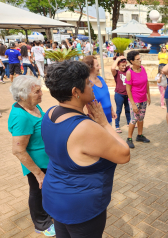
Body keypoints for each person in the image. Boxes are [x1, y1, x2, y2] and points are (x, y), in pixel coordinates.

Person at [41, 61, 130, 238]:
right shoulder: (85, 128)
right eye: (88, 83)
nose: (92, 86)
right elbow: (124, 154)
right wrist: (104, 123)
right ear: (75, 92)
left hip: (55, 196)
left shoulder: (50, 113)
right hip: (80, 207)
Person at [8, 75, 55, 236]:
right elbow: (18, 150)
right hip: (36, 165)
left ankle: (48, 215)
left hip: (47, 161)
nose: (42, 93)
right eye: (37, 91)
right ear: (23, 94)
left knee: (46, 192)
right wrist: (38, 174)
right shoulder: (21, 116)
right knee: (37, 192)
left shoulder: (34, 107)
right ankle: (41, 224)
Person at [125, 51, 151, 148]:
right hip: (134, 100)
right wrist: (133, 104)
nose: (140, 60)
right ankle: (129, 138)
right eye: (137, 59)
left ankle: (139, 135)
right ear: (131, 61)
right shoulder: (129, 72)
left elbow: (146, 82)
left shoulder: (143, 69)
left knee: (141, 118)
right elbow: (128, 89)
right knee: (134, 119)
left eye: (140, 58)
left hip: (143, 98)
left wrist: (148, 95)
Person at [82, 56, 117, 124]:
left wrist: (112, 110)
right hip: (97, 121)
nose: (100, 67)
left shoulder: (101, 79)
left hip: (108, 118)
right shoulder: (87, 84)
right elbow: (84, 104)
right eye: (97, 65)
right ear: (91, 68)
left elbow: (106, 97)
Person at [111, 56, 131, 133]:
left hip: (127, 94)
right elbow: (112, 68)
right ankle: (117, 126)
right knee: (118, 110)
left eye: (125, 65)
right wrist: (117, 59)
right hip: (119, 94)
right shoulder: (116, 72)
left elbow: (133, 64)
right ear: (118, 65)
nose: (124, 67)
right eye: (122, 66)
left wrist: (125, 59)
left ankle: (129, 122)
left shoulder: (128, 70)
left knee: (128, 109)